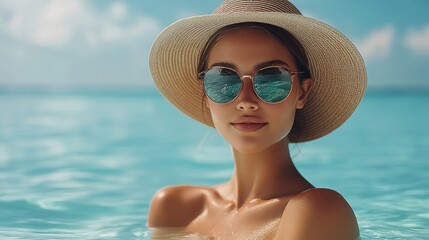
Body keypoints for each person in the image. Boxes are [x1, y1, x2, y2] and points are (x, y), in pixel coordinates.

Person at [147, 0, 367, 239]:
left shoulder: (319, 211)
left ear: (302, 92)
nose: (246, 100)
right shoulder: (174, 208)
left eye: (272, 78)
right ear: (205, 93)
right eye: (223, 79)